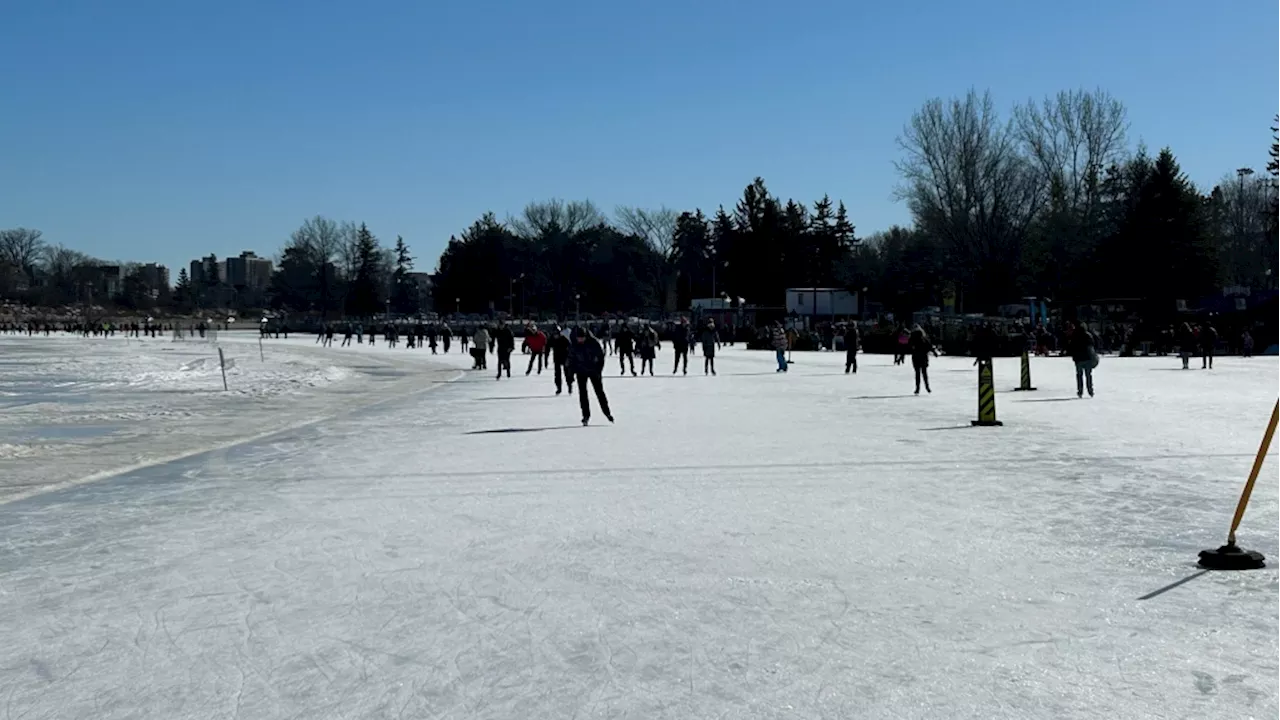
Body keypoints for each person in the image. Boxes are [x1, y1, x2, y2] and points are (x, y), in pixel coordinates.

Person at [567, 327, 613, 426]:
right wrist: (570, 375)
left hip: (594, 371)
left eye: (582, 338)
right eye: (579, 338)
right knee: (583, 394)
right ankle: (585, 416)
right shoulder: (574, 344)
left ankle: (607, 413)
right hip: (581, 371)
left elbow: (601, 358)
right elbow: (571, 360)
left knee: (599, 392)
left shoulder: (593, 343)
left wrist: (598, 370)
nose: (580, 340)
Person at [1066, 320, 1097, 398]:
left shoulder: (1075, 335)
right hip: (1088, 358)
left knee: (1079, 375)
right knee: (1088, 375)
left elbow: (1071, 346)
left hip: (1078, 359)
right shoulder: (1088, 335)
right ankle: (1090, 391)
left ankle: (1080, 391)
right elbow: (1092, 345)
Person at [908, 324, 938, 394]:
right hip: (923, 356)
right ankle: (927, 387)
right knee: (924, 373)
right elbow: (929, 345)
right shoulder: (923, 337)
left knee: (917, 373)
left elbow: (909, 346)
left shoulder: (912, 337)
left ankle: (917, 388)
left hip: (916, 356)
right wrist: (934, 352)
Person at [549, 326, 573, 395]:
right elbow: (548, 346)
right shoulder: (552, 339)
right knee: (557, 374)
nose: (555, 335)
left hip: (565, 358)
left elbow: (570, 349)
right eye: (554, 334)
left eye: (556, 334)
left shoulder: (564, 339)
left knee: (567, 373)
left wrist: (569, 359)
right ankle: (559, 388)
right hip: (557, 358)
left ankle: (569, 386)